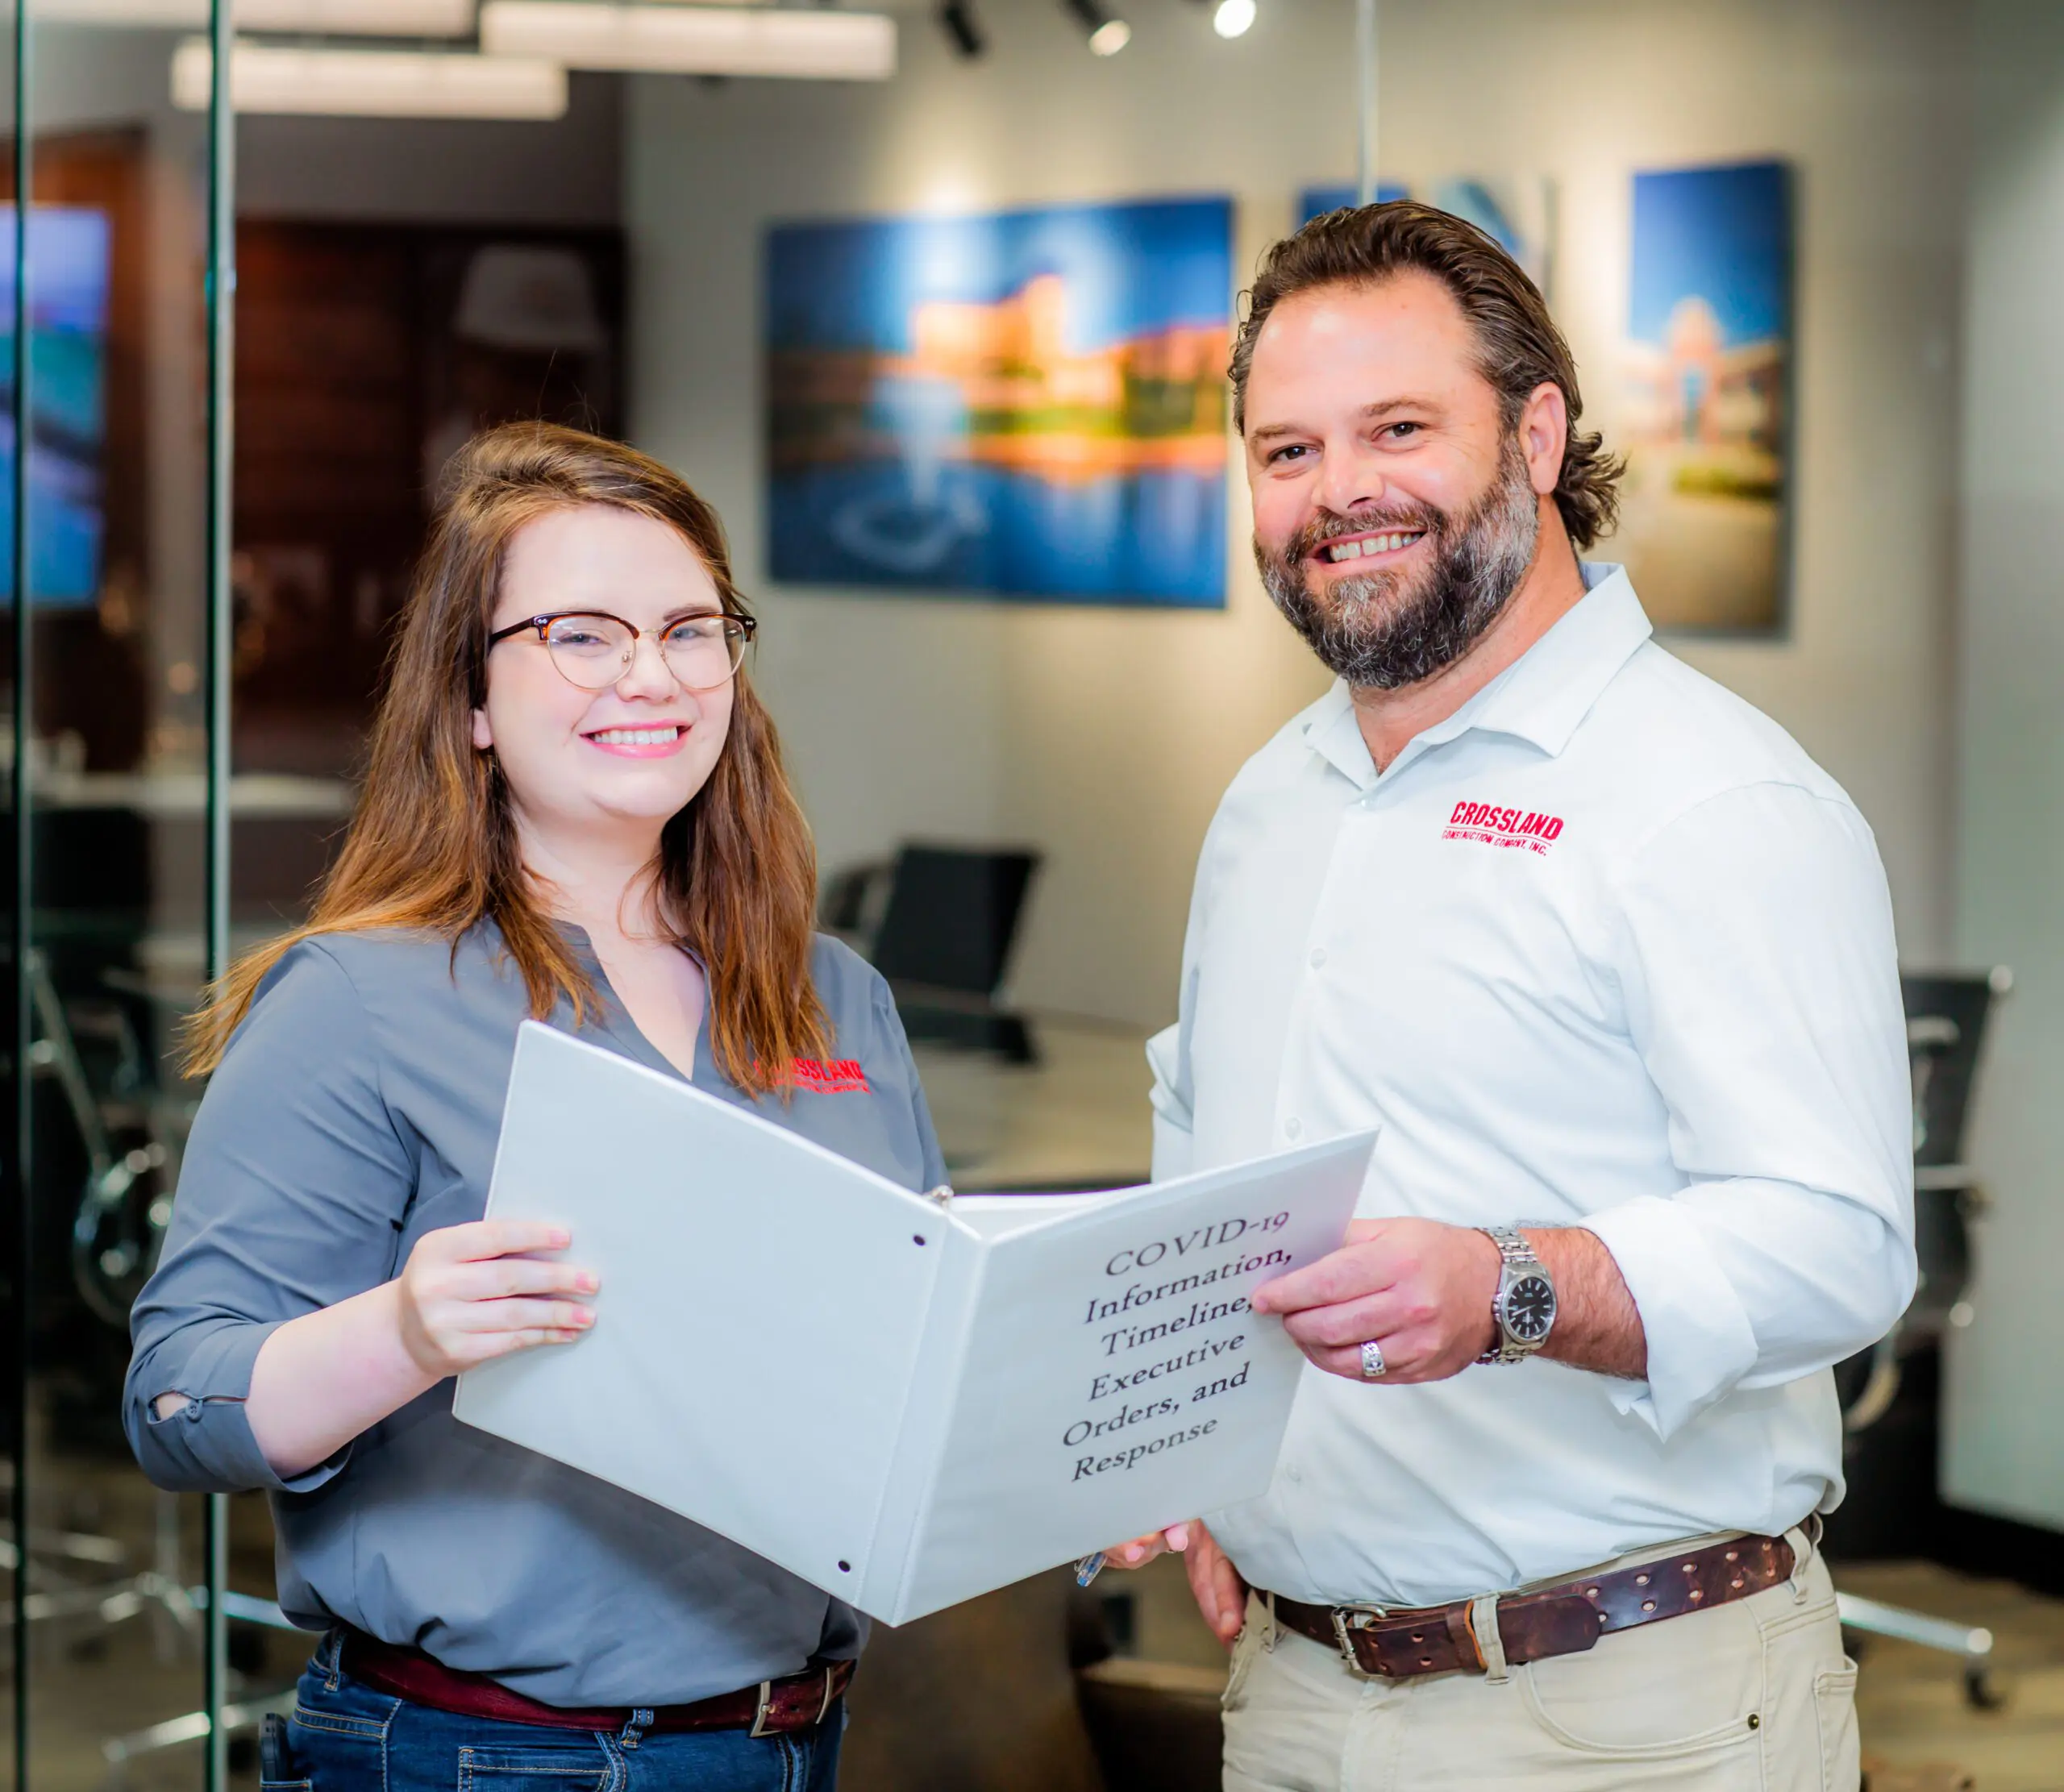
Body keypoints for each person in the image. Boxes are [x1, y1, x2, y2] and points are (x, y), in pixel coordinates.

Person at [1121, 203, 1910, 1791]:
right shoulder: (1271, 802)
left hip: (1622, 1712)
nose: (1338, 492)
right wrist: (1187, 1452)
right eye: (1284, 451)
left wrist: (1507, 1286)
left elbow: (1842, 1243)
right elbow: (1209, 1158)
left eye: (1396, 428)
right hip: (1289, 1688)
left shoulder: (1708, 795)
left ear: (1536, 433)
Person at [125, 422, 946, 1790]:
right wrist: (403, 1331)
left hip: (795, 1741)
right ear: (473, 704)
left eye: (692, 630)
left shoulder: (835, 995)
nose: (650, 673)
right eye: (581, 634)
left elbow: (908, 1363)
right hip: (480, 1757)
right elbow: (174, 1400)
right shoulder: (357, 999)